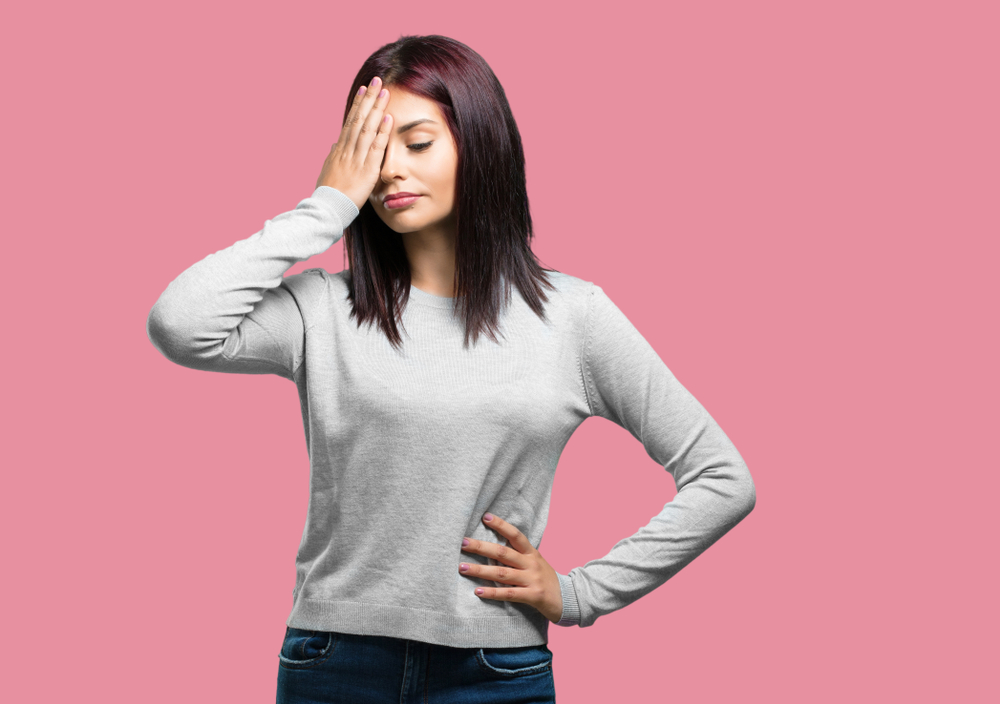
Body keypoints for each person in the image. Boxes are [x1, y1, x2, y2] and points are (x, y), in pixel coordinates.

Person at [146, 34, 756, 704]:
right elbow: (181, 324)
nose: (389, 172)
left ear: (478, 144)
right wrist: (325, 206)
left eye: (417, 142)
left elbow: (722, 479)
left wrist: (580, 593)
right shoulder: (322, 308)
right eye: (373, 151)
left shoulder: (573, 317)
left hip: (494, 671)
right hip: (334, 662)